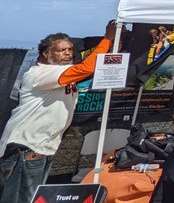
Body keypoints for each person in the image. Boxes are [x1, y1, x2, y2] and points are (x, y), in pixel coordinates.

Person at [0, 22, 117, 203]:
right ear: (46, 54)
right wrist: (108, 39)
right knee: (20, 199)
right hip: (26, 147)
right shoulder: (41, 73)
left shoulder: (63, 73)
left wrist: (115, 42)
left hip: (43, 148)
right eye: (61, 50)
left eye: (70, 49)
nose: (68, 53)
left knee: (31, 198)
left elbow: (91, 67)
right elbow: (86, 67)